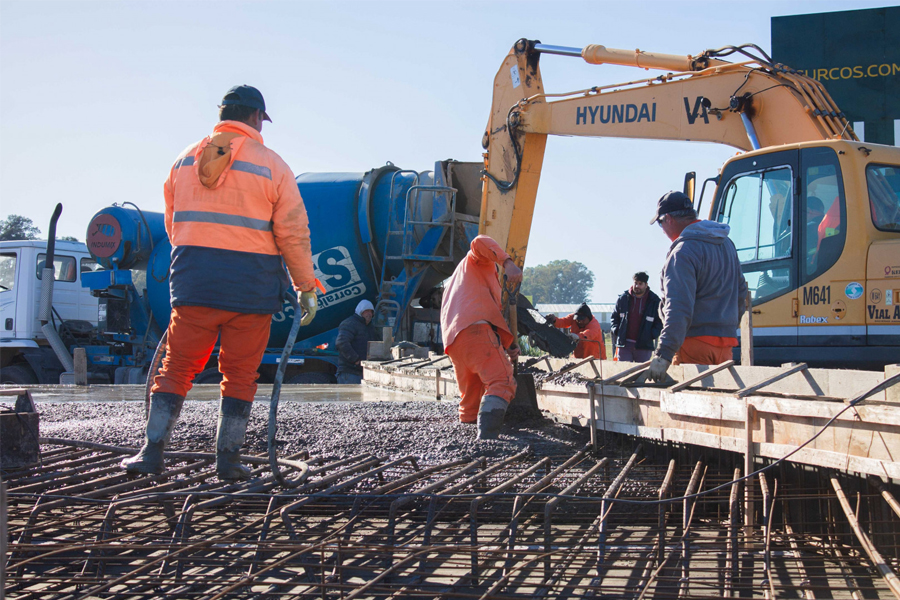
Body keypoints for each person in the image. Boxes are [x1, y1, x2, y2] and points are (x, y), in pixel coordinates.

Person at [123, 85, 320, 480]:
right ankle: (228, 462)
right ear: (256, 119)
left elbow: (173, 226)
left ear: (223, 114)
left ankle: (151, 453)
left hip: (195, 284)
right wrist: (305, 286)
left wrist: (196, 266)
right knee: (240, 373)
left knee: (176, 366)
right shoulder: (271, 165)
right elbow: (293, 233)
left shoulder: (182, 161)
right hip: (251, 290)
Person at [647, 191, 748, 381]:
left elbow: (678, 308)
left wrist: (663, 355)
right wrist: (727, 326)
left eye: (660, 223)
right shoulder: (726, 244)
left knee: (688, 408)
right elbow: (741, 293)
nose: (661, 229)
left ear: (668, 219)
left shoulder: (682, 252)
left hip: (692, 346)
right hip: (725, 347)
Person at [440, 235, 522, 440]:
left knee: (472, 401)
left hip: (456, 342)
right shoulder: (477, 261)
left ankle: (468, 441)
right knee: (502, 381)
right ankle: (487, 441)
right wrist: (507, 262)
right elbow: (479, 241)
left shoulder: (461, 280)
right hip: (475, 332)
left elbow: (484, 312)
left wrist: (506, 345)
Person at [610, 272, 662, 362]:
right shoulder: (623, 299)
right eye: (635, 283)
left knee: (641, 373)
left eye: (640, 284)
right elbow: (614, 317)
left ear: (646, 285)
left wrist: (652, 334)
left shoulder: (654, 301)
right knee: (624, 372)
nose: (637, 286)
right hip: (624, 345)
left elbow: (660, 321)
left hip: (644, 346)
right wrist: (617, 330)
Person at [335, 299, 377, 384]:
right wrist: (356, 360)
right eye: (366, 311)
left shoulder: (370, 327)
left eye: (371, 311)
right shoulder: (350, 323)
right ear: (360, 311)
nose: (369, 314)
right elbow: (341, 342)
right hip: (350, 373)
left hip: (363, 372)